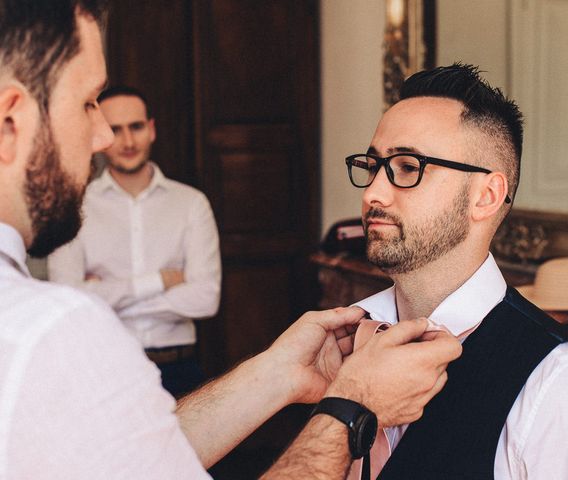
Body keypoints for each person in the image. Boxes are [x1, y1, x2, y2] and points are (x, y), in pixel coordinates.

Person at [0, 1, 463, 478]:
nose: (104, 138)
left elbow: (136, 459)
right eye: (87, 103)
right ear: (11, 121)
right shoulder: (46, 330)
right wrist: (353, 408)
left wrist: (276, 372)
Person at [344, 63, 568, 479]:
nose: (373, 192)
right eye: (372, 167)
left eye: (407, 167)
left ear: (486, 196)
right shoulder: (349, 335)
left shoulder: (563, 384)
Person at [48, 85, 221, 398]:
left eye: (136, 127)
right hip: (102, 366)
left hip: (178, 370)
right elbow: (67, 298)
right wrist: (160, 281)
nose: (127, 142)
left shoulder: (191, 204)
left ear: (151, 129)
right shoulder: (73, 207)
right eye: (115, 130)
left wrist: (104, 296)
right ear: (98, 135)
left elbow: (206, 298)